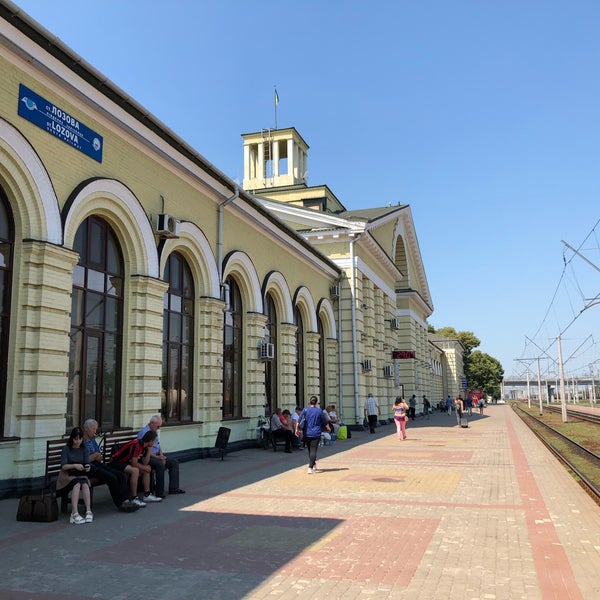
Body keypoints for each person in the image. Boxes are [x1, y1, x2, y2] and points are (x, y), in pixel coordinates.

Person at [82, 419, 138, 512]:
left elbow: (99, 457)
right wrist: (94, 456)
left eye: (96, 429)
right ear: (86, 429)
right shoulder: (81, 441)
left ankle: (127, 500)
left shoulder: (92, 440)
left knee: (120, 475)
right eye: (93, 429)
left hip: (97, 464)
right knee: (111, 477)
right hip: (88, 468)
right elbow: (83, 460)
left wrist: (95, 456)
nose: (95, 432)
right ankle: (120, 504)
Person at [110, 430, 162, 505]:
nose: (154, 443)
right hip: (116, 462)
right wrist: (144, 467)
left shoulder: (145, 446)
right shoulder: (137, 444)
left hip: (126, 462)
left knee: (146, 469)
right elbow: (134, 463)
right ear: (150, 440)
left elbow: (145, 462)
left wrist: (149, 450)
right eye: (154, 441)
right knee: (135, 471)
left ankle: (147, 495)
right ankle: (134, 498)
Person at [137, 415, 185, 496]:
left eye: (160, 426)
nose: (159, 428)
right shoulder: (144, 433)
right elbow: (144, 450)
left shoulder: (154, 430)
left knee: (173, 462)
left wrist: (161, 455)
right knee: (160, 465)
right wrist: (158, 458)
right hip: (147, 457)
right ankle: (159, 492)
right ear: (152, 423)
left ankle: (174, 488)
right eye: (158, 426)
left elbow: (158, 445)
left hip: (157, 455)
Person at [57, 427, 93, 524]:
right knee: (77, 484)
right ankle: (74, 513)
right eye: (75, 439)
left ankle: (88, 511)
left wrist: (87, 467)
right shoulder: (66, 449)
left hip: (80, 474)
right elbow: (63, 466)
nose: (77, 442)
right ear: (72, 438)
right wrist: (74, 465)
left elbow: (87, 463)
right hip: (66, 475)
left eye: (80, 439)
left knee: (85, 484)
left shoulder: (84, 449)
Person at [300, 395, 330, 473]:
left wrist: (297, 429)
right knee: (313, 450)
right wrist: (328, 428)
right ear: (316, 403)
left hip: (307, 433)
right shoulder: (319, 411)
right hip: (316, 433)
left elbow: (299, 420)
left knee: (310, 450)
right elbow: (324, 421)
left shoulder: (305, 410)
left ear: (309, 402)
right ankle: (310, 467)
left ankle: (313, 464)